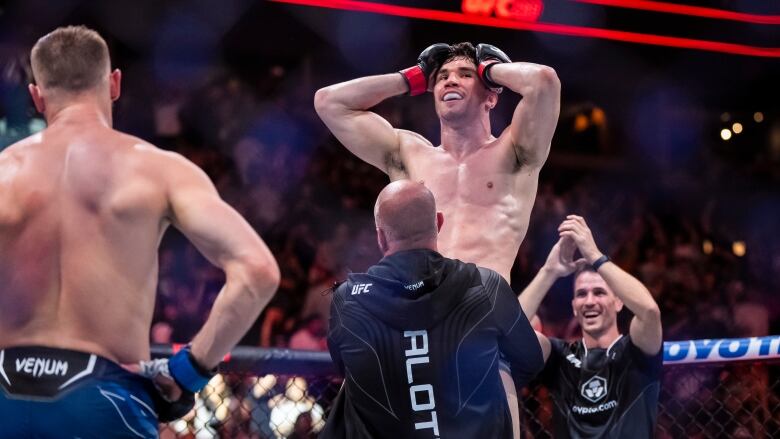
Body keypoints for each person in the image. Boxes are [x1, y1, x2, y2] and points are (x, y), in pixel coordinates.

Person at [0, 26, 280, 438]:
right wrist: (189, 370)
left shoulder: (4, 171)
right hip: (103, 397)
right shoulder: (157, 169)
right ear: (114, 84)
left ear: (36, 96)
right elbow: (257, 272)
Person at [315, 41, 560, 436]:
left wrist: (490, 70)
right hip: (404, 331)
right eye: (442, 76)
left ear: (491, 96)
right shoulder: (408, 153)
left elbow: (544, 82)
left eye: (464, 74)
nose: (451, 81)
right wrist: (410, 78)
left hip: (477, 326)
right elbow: (329, 102)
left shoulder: (514, 153)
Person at [321, 180, 545, 439]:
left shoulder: (348, 299)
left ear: (381, 236)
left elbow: (347, 369)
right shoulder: (485, 286)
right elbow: (529, 360)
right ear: (439, 223)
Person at [519, 215, 663, 438]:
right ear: (574, 307)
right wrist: (549, 272)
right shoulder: (559, 357)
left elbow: (650, 311)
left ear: (618, 302)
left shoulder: (636, 350)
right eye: (581, 294)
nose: (589, 301)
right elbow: (509, 331)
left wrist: (595, 256)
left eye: (599, 292)